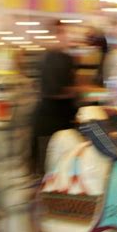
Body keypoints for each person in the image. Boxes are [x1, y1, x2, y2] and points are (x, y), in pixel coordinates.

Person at [31, 20, 77, 175]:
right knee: (53, 171)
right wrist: (76, 91)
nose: (65, 36)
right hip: (52, 122)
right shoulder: (53, 58)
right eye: (61, 33)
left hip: (54, 121)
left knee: (54, 171)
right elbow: (54, 90)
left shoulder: (59, 58)